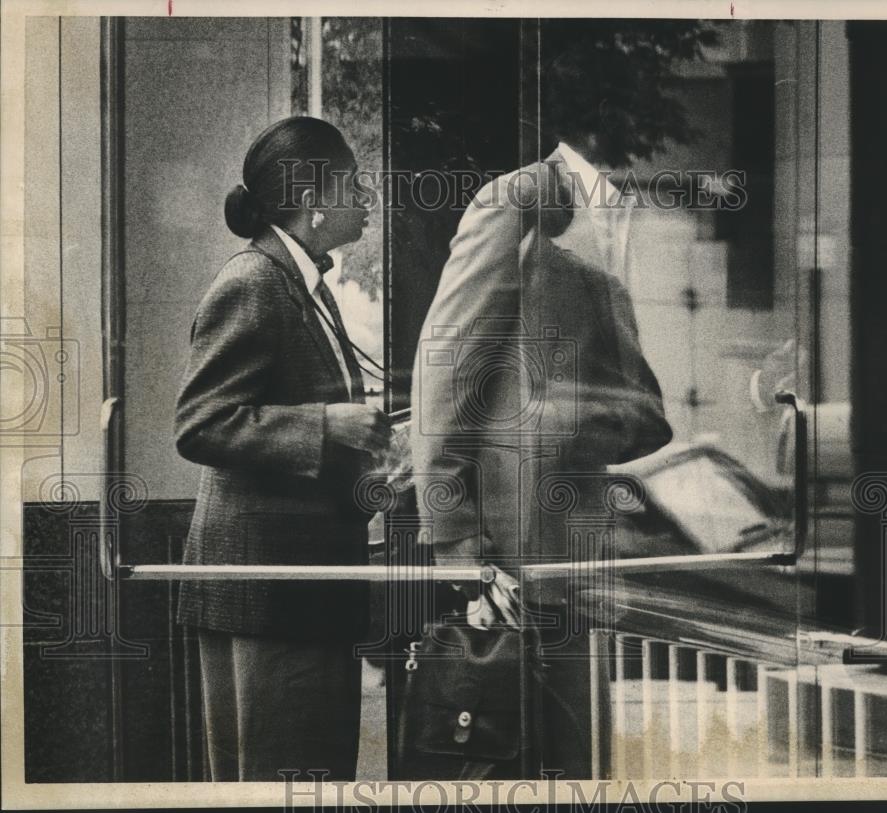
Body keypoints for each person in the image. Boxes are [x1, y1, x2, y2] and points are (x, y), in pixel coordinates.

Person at [410, 44, 673, 777]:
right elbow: (445, 369)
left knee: (572, 754)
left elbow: (641, 406)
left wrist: (588, 415)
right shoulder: (517, 202)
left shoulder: (606, 217)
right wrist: (455, 544)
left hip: (573, 550)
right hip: (512, 554)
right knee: (512, 753)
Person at [174, 116, 389, 781]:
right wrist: (327, 426)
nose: (367, 199)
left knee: (308, 781)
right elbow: (201, 423)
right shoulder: (253, 282)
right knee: (285, 785)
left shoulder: (301, 285)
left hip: (297, 593)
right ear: (316, 202)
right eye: (355, 184)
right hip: (270, 600)